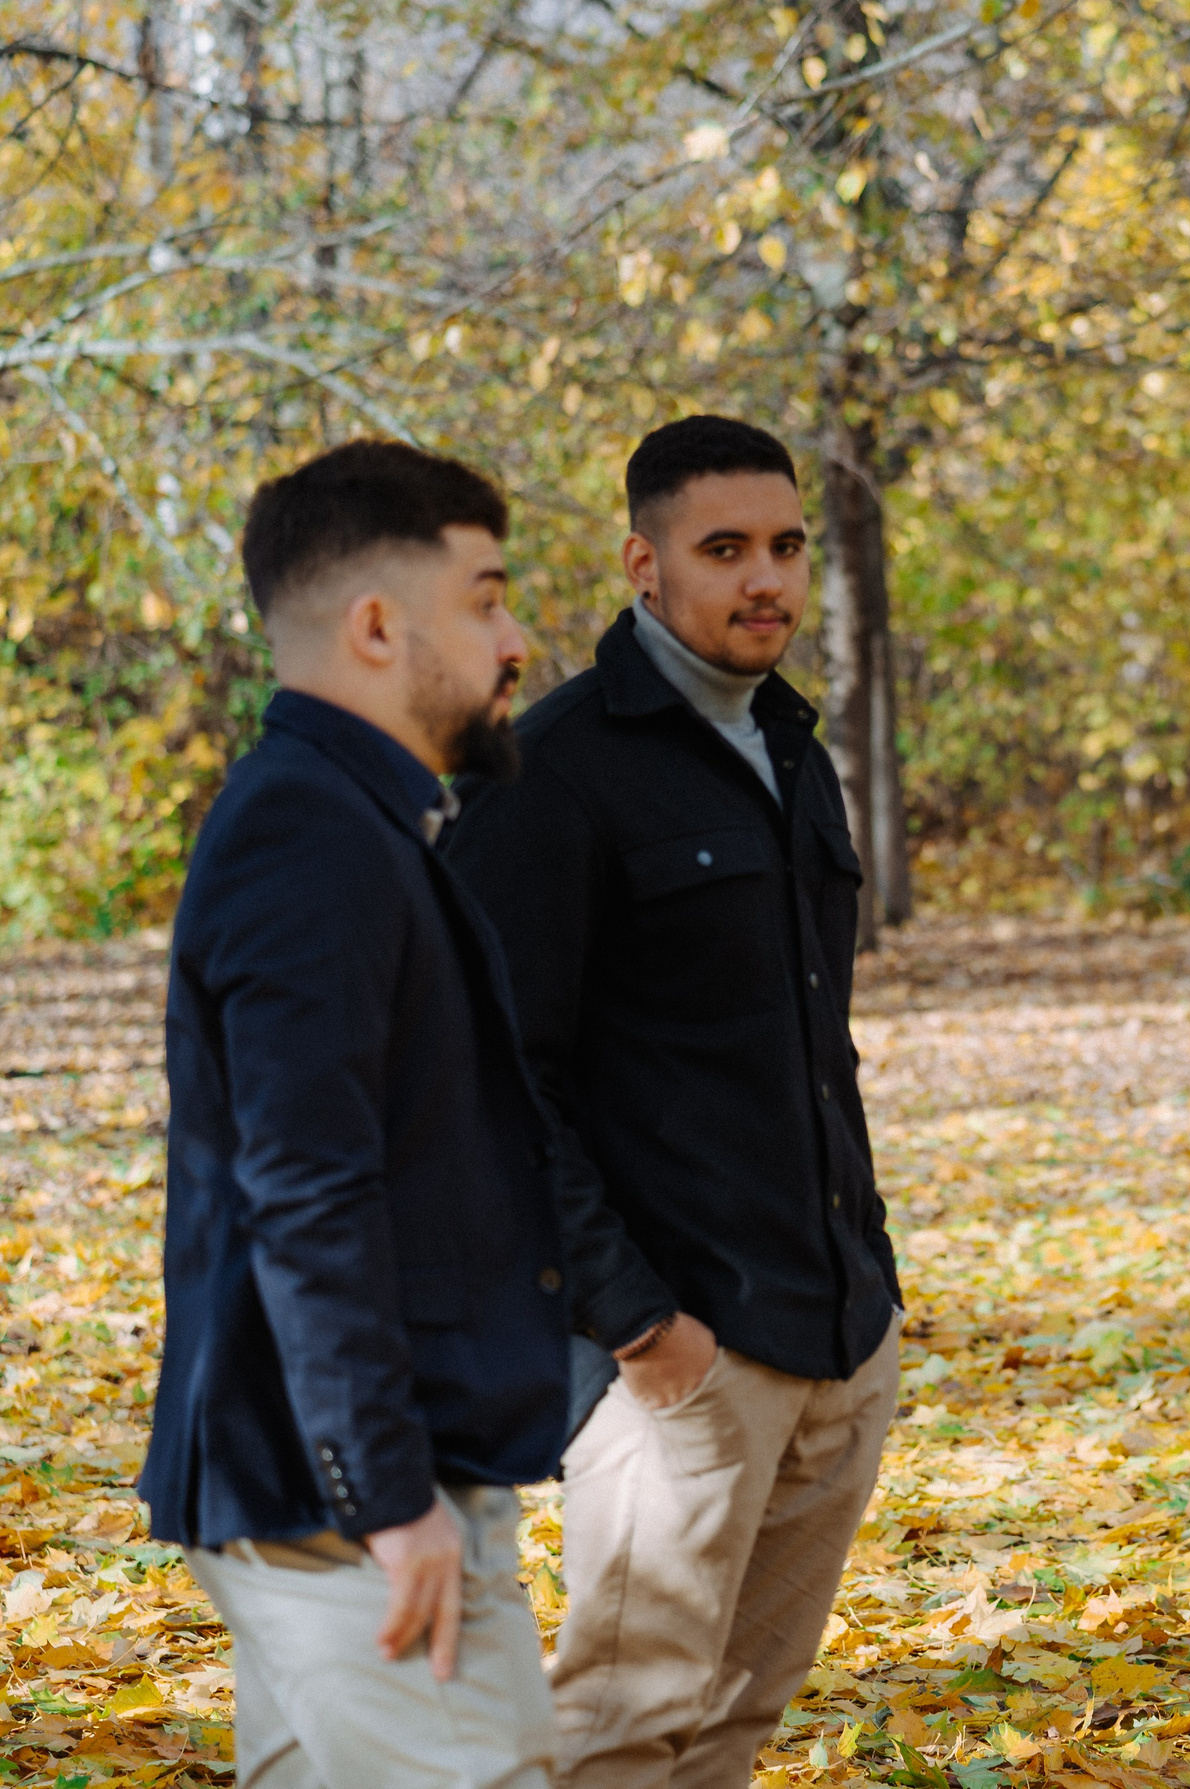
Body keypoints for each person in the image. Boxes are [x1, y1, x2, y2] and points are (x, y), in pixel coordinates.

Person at [445, 415, 901, 1789]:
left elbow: (815, 1043)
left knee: (737, 1726)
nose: (763, 579)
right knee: (620, 1730)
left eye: (783, 548)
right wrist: (636, 1321)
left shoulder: (795, 752)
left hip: (837, 1327)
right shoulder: (552, 772)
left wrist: (870, 1285)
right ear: (646, 565)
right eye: (723, 550)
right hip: (682, 1357)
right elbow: (493, 1077)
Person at [142, 441, 566, 1789]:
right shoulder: (310, 835)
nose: (517, 637)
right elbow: (305, 1185)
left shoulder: (352, 819)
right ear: (379, 626)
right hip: (342, 1498)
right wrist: (385, 1493)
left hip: (349, 1476)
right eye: (488, 597)